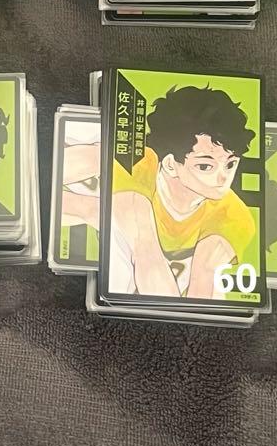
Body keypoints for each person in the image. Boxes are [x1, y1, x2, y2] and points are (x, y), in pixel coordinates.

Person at [109, 85, 256, 298]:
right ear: (170, 164)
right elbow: (146, 254)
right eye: (205, 166)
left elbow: (203, 281)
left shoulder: (234, 216)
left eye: (230, 164)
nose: (223, 178)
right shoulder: (137, 164)